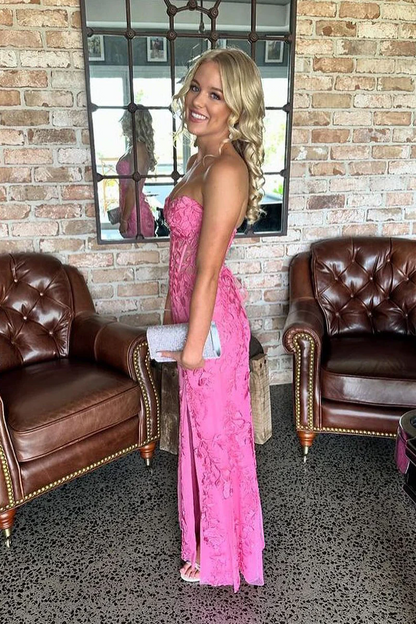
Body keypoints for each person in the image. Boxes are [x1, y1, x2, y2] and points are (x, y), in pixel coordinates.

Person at [161, 48, 265, 592]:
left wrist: (194, 345)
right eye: (197, 87)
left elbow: (206, 271)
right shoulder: (200, 159)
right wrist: (170, 320)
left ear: (237, 109)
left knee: (216, 439)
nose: (198, 101)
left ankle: (222, 557)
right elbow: (179, 261)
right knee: (202, 434)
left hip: (213, 324)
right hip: (193, 316)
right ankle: (206, 542)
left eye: (215, 94)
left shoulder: (224, 167)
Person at [117, 106, 156, 238]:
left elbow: (133, 188)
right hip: (130, 210)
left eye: (125, 119)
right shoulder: (133, 147)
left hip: (135, 213)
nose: (122, 122)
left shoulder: (139, 148)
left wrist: (124, 219)